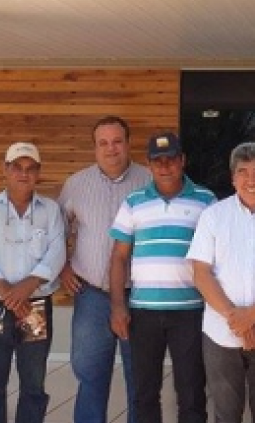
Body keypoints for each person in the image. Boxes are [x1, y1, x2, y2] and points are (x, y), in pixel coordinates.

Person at [188, 143, 255, 423]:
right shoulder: (213, 216)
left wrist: (253, 314)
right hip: (221, 333)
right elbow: (201, 273)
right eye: (243, 172)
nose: (251, 180)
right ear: (232, 177)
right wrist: (236, 318)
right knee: (226, 414)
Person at [109, 131, 216, 423]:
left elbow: (218, 258)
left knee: (192, 391)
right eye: (158, 161)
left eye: (171, 160)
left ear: (183, 160)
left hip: (191, 312)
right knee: (144, 392)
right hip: (143, 312)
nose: (165, 166)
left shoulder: (206, 201)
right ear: (149, 164)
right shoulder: (134, 202)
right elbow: (119, 257)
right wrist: (118, 306)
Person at [58, 116, 151, 423]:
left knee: (140, 379)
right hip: (92, 296)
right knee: (90, 376)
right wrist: (62, 266)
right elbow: (56, 229)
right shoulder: (76, 184)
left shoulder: (149, 181)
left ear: (128, 143)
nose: (111, 149)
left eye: (117, 141)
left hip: (139, 296)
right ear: (94, 147)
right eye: (103, 143)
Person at [0, 142, 66, 423]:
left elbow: (57, 252)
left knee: (33, 383)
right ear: (5, 170)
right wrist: (10, 295)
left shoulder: (50, 210)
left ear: (38, 173)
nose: (23, 174)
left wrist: (25, 289)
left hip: (34, 307)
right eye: (17, 167)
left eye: (30, 168)